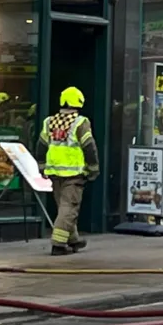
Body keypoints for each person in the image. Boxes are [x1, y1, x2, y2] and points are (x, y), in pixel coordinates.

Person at [37, 87, 100, 256]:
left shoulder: (49, 122)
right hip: (74, 173)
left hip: (54, 172)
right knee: (69, 207)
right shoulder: (80, 122)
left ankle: (73, 239)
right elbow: (89, 146)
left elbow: (41, 145)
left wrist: (41, 165)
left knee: (64, 206)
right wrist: (93, 168)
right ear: (79, 102)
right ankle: (58, 243)